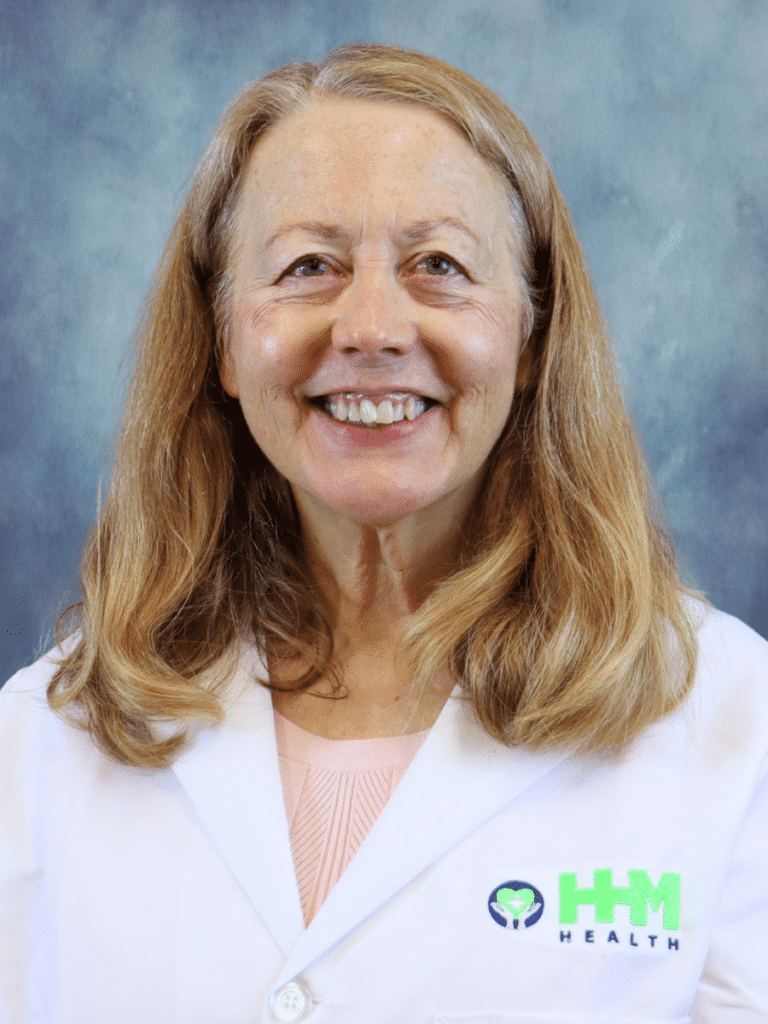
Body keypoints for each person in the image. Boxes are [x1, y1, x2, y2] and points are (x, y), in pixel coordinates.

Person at [1, 42, 766, 1023]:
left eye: (438, 265)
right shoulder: (44, 741)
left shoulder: (732, 723)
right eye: (307, 266)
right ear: (224, 340)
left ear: (530, 339)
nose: (370, 326)